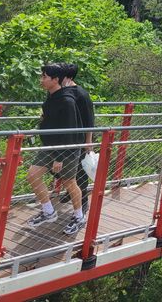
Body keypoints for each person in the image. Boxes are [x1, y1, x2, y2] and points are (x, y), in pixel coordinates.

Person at [26, 63, 86, 236]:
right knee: (32, 175)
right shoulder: (51, 96)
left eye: (44, 77)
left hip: (66, 148)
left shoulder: (67, 101)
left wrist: (60, 157)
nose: (41, 80)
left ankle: (79, 216)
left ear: (55, 79)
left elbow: (69, 130)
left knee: (69, 182)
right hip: (50, 146)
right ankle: (48, 212)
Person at [58, 63, 93, 214]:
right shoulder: (58, 91)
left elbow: (89, 120)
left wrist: (88, 141)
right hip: (60, 139)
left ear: (69, 77)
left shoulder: (81, 94)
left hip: (78, 139)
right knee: (56, 168)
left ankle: (83, 201)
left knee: (79, 171)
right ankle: (71, 190)